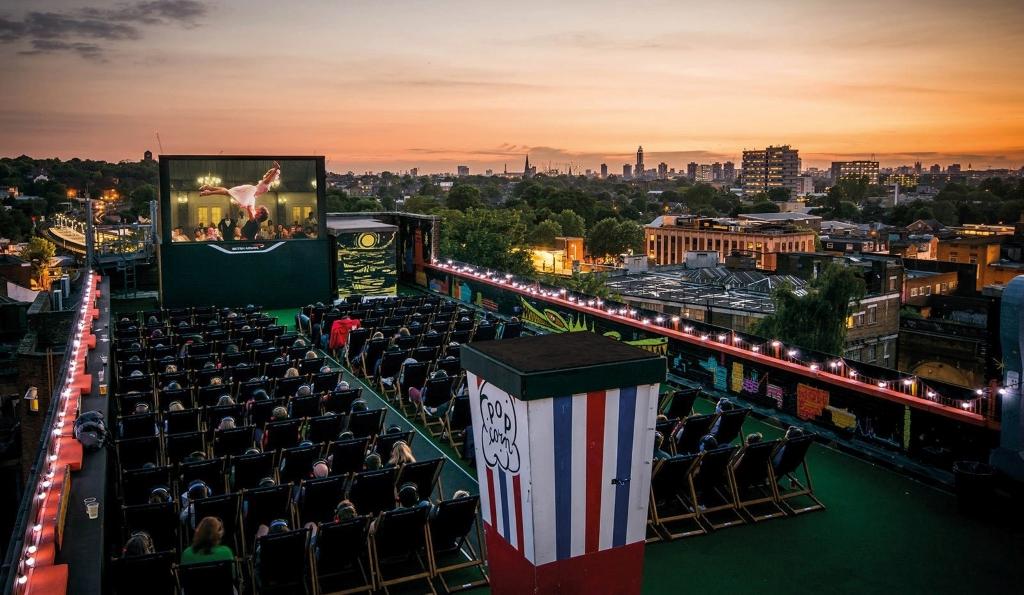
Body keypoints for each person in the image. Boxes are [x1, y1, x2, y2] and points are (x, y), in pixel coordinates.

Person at [199, 161, 280, 221]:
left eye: (269, 173)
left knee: (228, 192)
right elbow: (268, 179)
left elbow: (269, 178)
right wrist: (275, 169)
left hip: (251, 193)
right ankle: (208, 192)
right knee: (228, 192)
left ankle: (209, 188)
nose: (267, 174)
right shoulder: (266, 184)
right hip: (250, 192)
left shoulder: (266, 183)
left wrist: (276, 169)